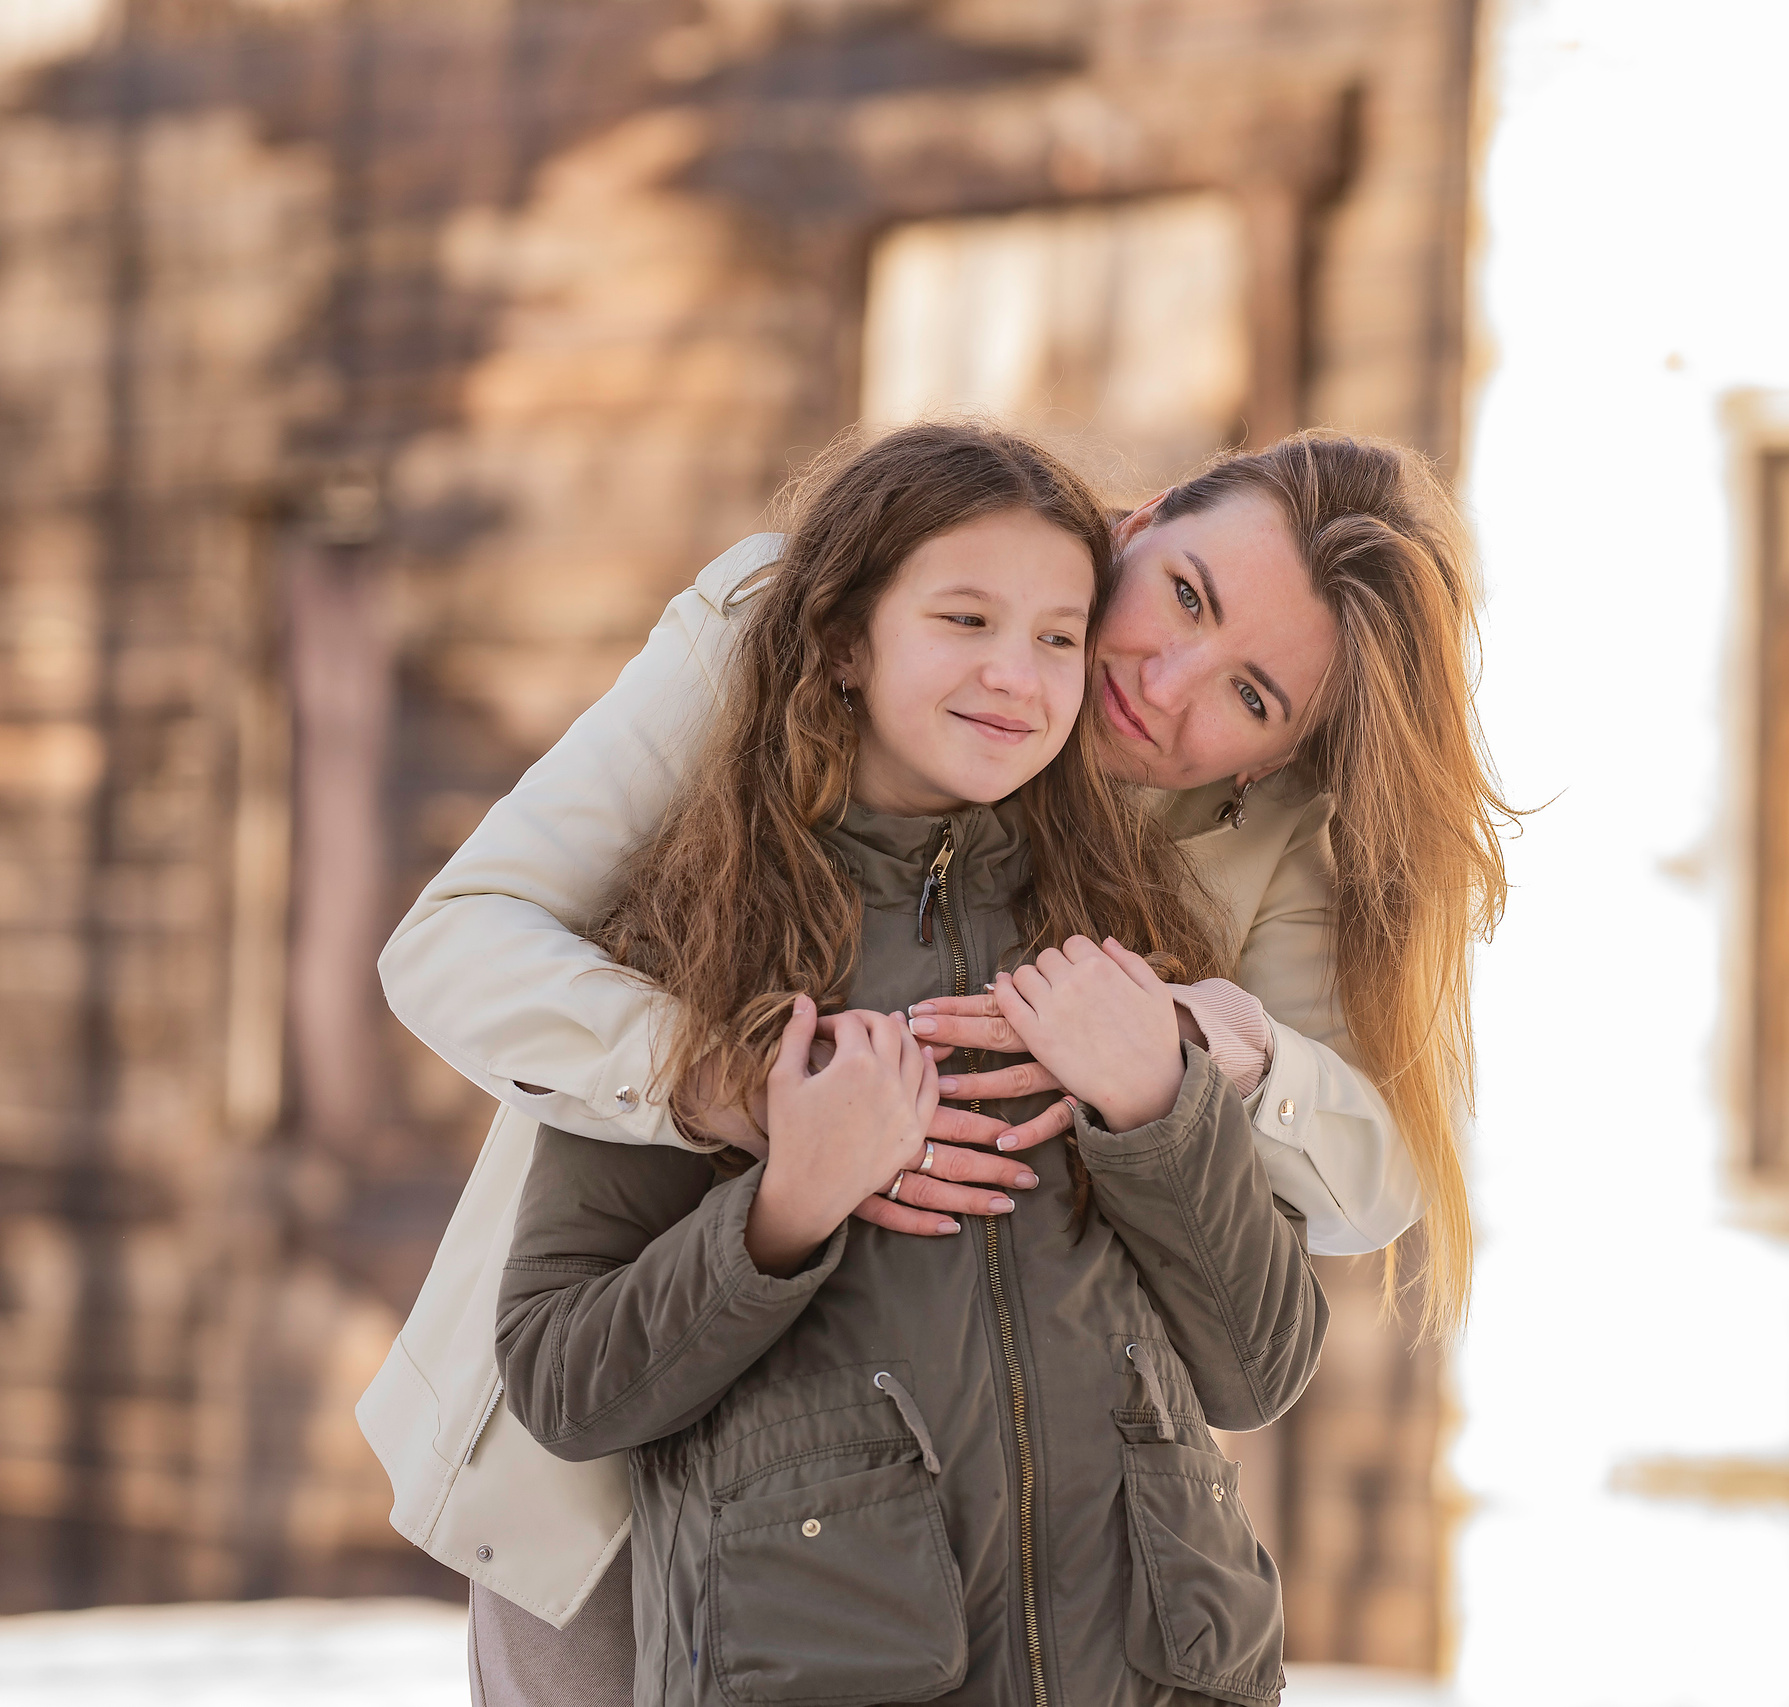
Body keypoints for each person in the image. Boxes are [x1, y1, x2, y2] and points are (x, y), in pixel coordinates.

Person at [356, 425, 1512, 1703]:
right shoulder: (800, 619)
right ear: (1137, 529)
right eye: (1185, 594)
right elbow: (457, 946)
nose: (1166, 683)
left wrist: (1202, 1049)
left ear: (1284, 752)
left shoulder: (1263, 839)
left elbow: (1371, 1182)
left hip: (974, 1559)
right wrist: (744, 1091)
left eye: (1252, 695)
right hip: (615, 1459)